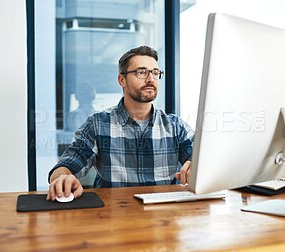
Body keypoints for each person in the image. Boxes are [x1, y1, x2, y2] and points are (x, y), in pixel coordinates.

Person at [46, 45, 194, 201]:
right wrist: (62, 178)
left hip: (162, 216)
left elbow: (200, 157)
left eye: (155, 73)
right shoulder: (98, 124)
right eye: (141, 72)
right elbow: (70, 162)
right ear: (122, 80)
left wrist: (196, 166)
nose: (151, 79)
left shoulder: (175, 126)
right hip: (112, 215)